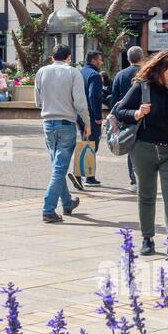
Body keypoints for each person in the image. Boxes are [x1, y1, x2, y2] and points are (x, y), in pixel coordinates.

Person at [112, 51, 168, 259]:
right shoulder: (143, 87)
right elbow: (119, 112)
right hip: (144, 149)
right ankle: (147, 239)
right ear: (159, 67)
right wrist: (137, 114)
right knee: (146, 195)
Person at [34, 45, 89, 224]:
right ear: (69, 57)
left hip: (48, 124)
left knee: (58, 167)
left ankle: (67, 203)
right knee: (59, 169)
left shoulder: (42, 72)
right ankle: (48, 209)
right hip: (66, 124)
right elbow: (80, 102)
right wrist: (87, 124)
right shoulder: (73, 73)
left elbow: (37, 101)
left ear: (52, 57)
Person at [110, 46, 145, 191]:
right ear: (142, 58)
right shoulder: (146, 74)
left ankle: (134, 181)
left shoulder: (120, 75)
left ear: (128, 59)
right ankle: (144, 179)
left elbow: (114, 98)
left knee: (131, 148)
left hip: (126, 117)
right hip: (144, 116)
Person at [80, 50, 106, 185]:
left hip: (79, 114)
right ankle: (89, 177)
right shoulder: (94, 75)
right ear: (94, 60)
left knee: (85, 142)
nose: (101, 62)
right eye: (100, 60)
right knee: (91, 145)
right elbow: (93, 96)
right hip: (90, 115)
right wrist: (97, 116)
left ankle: (80, 175)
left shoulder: (80, 72)